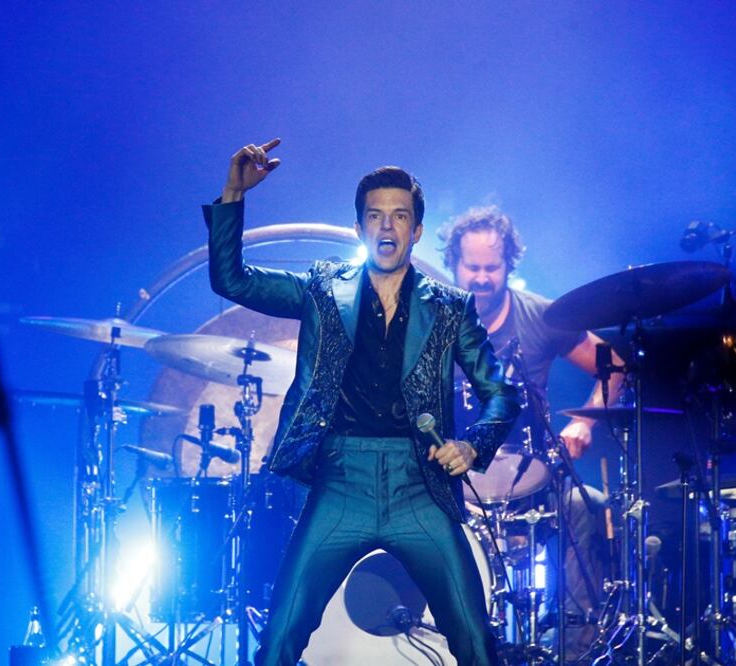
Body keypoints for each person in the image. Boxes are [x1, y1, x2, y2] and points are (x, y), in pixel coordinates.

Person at [204, 138, 520, 666]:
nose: (387, 226)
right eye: (375, 216)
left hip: (418, 486)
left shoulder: (449, 308)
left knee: (475, 643)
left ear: (416, 231)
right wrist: (234, 193)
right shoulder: (324, 289)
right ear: (359, 228)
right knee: (279, 640)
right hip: (341, 481)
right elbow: (231, 279)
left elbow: (501, 395)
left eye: (399, 216)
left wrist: (473, 446)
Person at [438, 204, 626, 657]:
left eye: (492, 267)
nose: (481, 278)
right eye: (472, 267)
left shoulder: (540, 316)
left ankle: (575, 648)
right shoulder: (431, 316)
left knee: (588, 506)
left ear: (508, 266)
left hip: (533, 477)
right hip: (449, 476)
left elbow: (615, 366)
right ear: (453, 264)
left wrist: (584, 421)